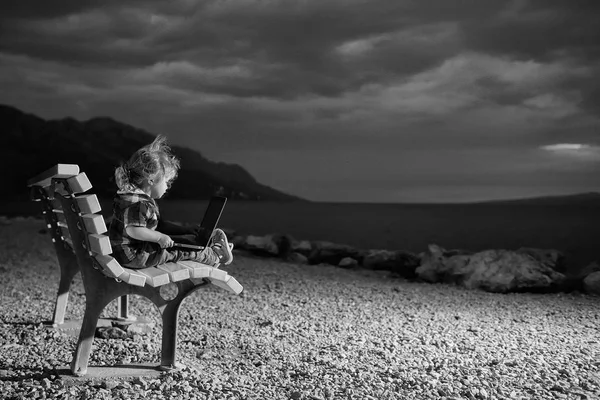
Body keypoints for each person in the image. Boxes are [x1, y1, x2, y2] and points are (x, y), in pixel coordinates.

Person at [108, 135, 233, 269]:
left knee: (181, 243)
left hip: (127, 253)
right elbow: (134, 230)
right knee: (178, 251)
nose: (168, 186)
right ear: (151, 179)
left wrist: (185, 230)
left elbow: (160, 225)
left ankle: (207, 247)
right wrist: (159, 238)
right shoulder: (138, 204)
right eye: (166, 181)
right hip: (135, 256)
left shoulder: (131, 197)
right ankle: (215, 256)